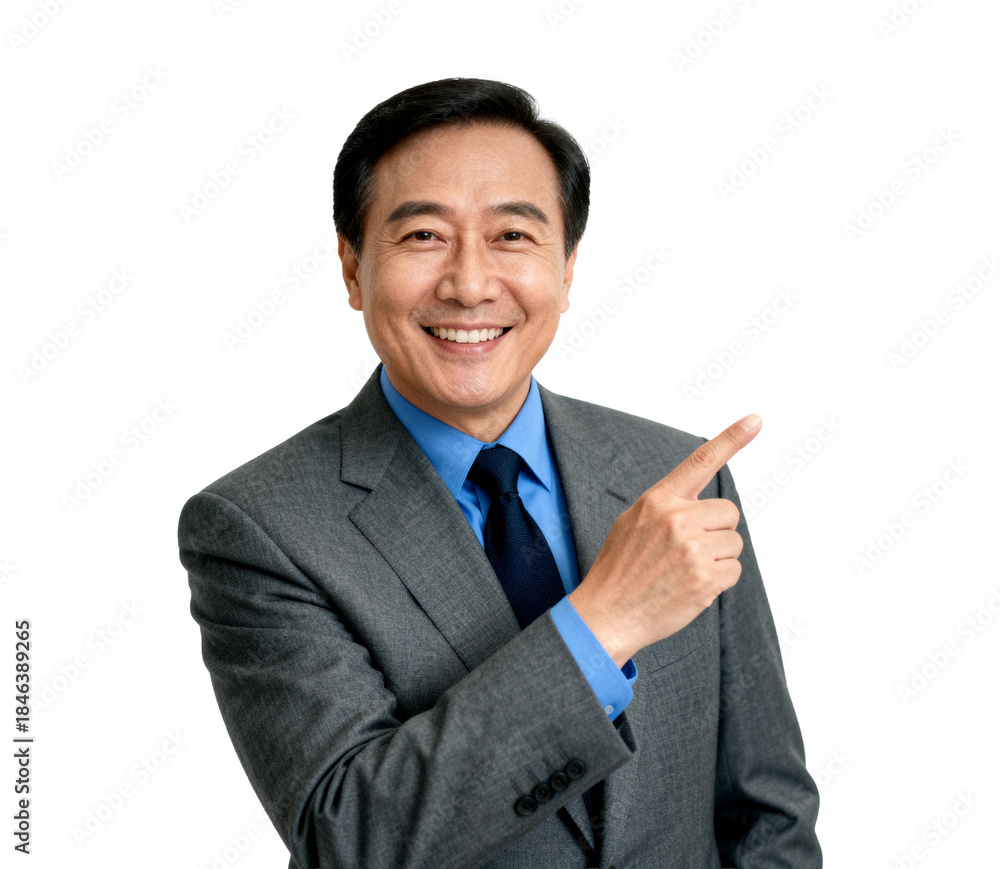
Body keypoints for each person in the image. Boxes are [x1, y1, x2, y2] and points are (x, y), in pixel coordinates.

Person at [178, 77, 822, 868]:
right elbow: (351, 839)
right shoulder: (258, 527)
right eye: (423, 236)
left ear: (568, 267)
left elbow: (767, 812)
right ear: (351, 267)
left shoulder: (676, 477)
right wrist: (603, 622)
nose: (471, 284)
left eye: (512, 235)